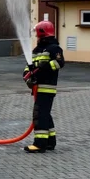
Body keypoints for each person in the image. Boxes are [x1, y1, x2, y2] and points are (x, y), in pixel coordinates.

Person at [23, 20, 65, 153]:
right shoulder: (37, 50)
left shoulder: (54, 48)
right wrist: (27, 77)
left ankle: (40, 144)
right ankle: (50, 142)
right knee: (45, 114)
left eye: (37, 32)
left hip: (47, 87)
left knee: (40, 114)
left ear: (42, 32)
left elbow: (59, 63)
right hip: (37, 88)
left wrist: (42, 69)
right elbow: (28, 67)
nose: (36, 35)